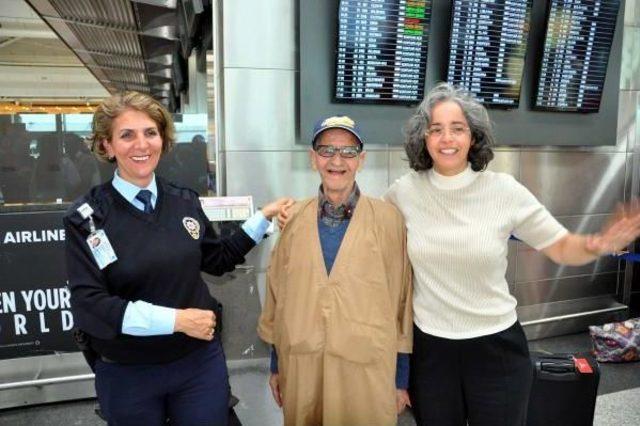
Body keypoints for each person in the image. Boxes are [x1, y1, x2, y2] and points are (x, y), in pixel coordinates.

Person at [382, 83, 640, 426]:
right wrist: (297, 213)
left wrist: (597, 243)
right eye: (436, 129)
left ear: (473, 137)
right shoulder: (404, 192)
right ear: (423, 138)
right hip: (431, 350)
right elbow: (364, 231)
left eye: (457, 129)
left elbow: (560, 244)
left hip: (496, 347)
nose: (447, 139)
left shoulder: (503, 190)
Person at [63, 91, 293, 425]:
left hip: (197, 364)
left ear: (163, 140)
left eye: (150, 133)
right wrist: (177, 320)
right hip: (128, 372)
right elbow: (91, 304)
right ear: (107, 146)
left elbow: (218, 259)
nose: (142, 145)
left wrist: (263, 217)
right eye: (127, 135)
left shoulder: (183, 201)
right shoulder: (87, 218)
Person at [258, 115, 413, 426]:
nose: (337, 161)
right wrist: (278, 365)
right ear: (313, 158)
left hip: (366, 368)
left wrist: (400, 378)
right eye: (326, 150)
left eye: (348, 152)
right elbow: (278, 296)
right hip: (303, 365)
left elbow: (402, 301)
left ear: (362, 160)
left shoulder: (388, 221)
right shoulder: (293, 219)